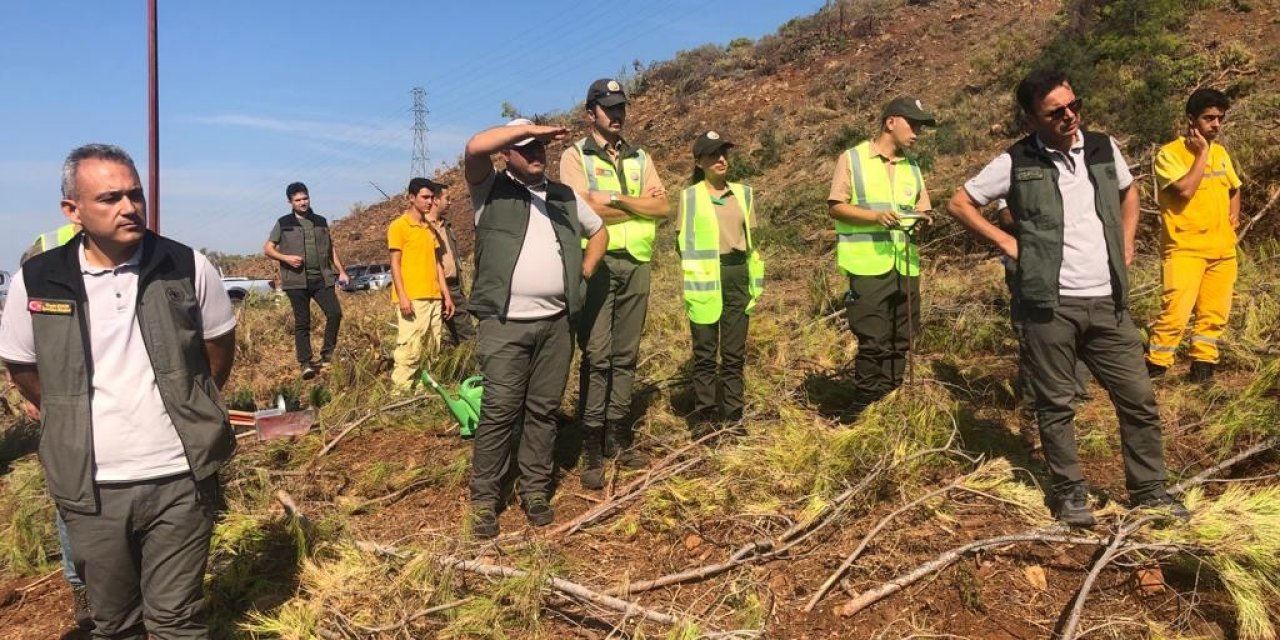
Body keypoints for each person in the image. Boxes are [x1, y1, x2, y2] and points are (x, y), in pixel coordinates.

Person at [0, 143, 237, 636]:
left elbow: (217, 351)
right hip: (91, 488)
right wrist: (67, 413)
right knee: (115, 623)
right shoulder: (37, 280)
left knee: (177, 618)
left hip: (179, 476)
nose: (129, 207)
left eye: (135, 194)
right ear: (73, 210)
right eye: (109, 198)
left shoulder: (187, 267)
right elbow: (22, 367)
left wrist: (190, 403)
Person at [946, 69, 1189, 527]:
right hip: (1050, 304)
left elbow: (1128, 191)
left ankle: (1150, 491)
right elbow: (960, 203)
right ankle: (1070, 493)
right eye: (1056, 111)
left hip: (1109, 302)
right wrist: (1006, 242)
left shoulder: (1102, 145)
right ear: (1032, 118)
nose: (1070, 116)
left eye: (1074, 105)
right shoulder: (1015, 161)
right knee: (1056, 404)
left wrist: (1128, 240)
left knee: (1138, 399)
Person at [463, 118, 607, 538]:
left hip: (557, 323)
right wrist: (529, 129)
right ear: (507, 153)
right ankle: (485, 501)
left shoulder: (563, 196)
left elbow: (598, 231)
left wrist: (582, 272)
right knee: (500, 412)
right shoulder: (490, 190)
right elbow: (474, 147)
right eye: (525, 148)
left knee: (543, 411)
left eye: (539, 148)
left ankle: (536, 491)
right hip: (505, 324)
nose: (535, 154)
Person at [559, 78, 670, 472]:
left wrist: (616, 199)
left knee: (626, 354)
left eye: (621, 106)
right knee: (598, 354)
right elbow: (579, 209)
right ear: (591, 114)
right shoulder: (575, 157)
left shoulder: (640, 157)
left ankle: (617, 435)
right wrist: (639, 205)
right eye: (609, 108)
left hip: (637, 262)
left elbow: (663, 208)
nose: (617, 114)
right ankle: (590, 439)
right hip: (599, 264)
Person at [826, 97, 935, 416]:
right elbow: (836, 206)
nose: (917, 132)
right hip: (868, 265)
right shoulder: (852, 159)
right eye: (912, 124)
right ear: (891, 122)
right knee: (872, 339)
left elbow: (922, 206)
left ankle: (891, 402)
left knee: (901, 337)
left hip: (905, 263)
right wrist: (874, 218)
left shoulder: (912, 166)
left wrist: (925, 217)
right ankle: (864, 406)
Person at [14, 221, 91, 629]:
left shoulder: (128, 247)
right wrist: (33, 394)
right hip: (61, 392)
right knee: (71, 491)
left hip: (112, 394)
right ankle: (80, 585)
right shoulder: (46, 248)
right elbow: (22, 334)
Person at [675, 131, 765, 443]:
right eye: (713, 155)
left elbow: (750, 240)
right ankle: (705, 417)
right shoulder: (689, 198)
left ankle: (733, 415)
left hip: (737, 277)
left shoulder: (743, 194)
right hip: (703, 283)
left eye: (724, 153)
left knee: (733, 353)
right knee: (704, 353)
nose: (721, 159)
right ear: (699, 162)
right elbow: (681, 244)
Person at [1146, 88, 1241, 384]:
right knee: (1175, 312)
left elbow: (1234, 187)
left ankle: (1202, 368)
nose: (1215, 124)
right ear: (1191, 120)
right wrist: (1201, 154)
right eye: (1208, 118)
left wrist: (1233, 214)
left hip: (1222, 249)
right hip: (1184, 249)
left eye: (1219, 118)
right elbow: (1185, 189)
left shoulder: (1222, 153)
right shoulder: (1169, 155)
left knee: (1214, 315)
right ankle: (1156, 366)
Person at [995, 199, 1092, 453]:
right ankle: (1032, 414)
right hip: (1027, 263)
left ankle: (1074, 393)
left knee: (1073, 325)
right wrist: (1041, 224)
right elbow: (1005, 218)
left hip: (1068, 262)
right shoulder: (1014, 170)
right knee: (1032, 337)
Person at [263, 182, 349, 380]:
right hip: (296, 281)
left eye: (305, 198)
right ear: (290, 202)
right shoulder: (283, 223)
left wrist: (341, 271)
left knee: (335, 313)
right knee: (303, 322)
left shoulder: (320, 221)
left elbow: (330, 248)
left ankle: (328, 354)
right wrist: (286, 258)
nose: (302, 203)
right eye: (298, 200)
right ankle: (306, 363)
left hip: (322, 278)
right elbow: (267, 249)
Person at [388, 178, 455, 391]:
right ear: (411, 198)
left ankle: (422, 390)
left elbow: (437, 264)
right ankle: (400, 391)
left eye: (431, 198)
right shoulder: (399, 227)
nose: (429, 202)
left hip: (434, 296)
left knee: (431, 347)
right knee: (411, 348)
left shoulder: (429, 228)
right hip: (413, 298)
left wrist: (446, 295)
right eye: (424, 197)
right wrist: (403, 296)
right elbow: (395, 265)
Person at [424, 183, 476, 346]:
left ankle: (468, 366)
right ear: (436, 200)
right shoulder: (422, 226)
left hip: (453, 287)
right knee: (432, 337)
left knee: (466, 334)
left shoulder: (447, 226)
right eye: (448, 198)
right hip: (431, 289)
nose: (450, 202)